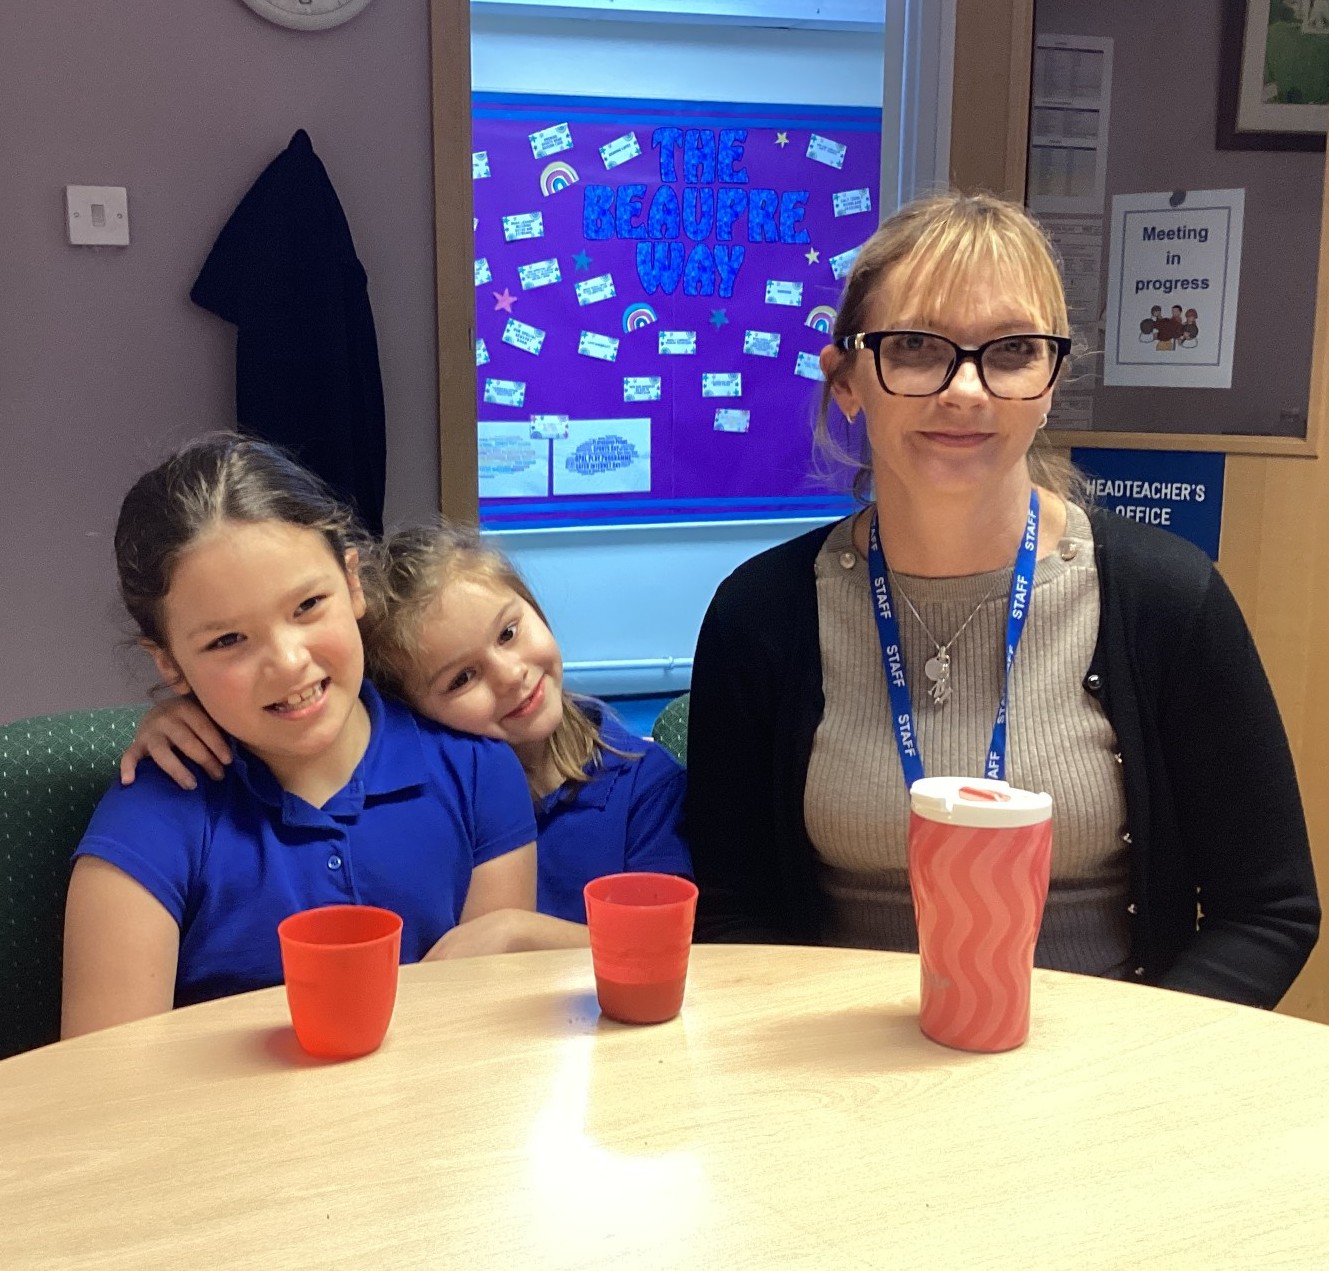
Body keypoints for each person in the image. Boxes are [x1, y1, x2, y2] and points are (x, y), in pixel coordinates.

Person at [685, 191, 1319, 1009]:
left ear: (1051, 381)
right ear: (844, 380)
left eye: (1012, 350)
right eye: (915, 347)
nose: (967, 390)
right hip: (840, 1085)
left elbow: (1267, 911)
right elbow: (735, 914)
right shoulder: (758, 616)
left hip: (1101, 1090)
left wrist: (1135, 1070)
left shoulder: (1166, 599)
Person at [64, 437, 542, 1040]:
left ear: (353, 583)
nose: (288, 663)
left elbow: (489, 1029)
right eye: (227, 641)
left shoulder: (476, 771)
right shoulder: (149, 825)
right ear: (170, 666)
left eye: (309, 604)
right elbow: (103, 1093)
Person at [120, 523, 691, 943]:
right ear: (405, 708)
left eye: (510, 632)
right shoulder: (420, 800)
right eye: (462, 678)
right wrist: (178, 708)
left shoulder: (642, 784)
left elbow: (678, 955)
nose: (512, 674)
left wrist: (515, 935)